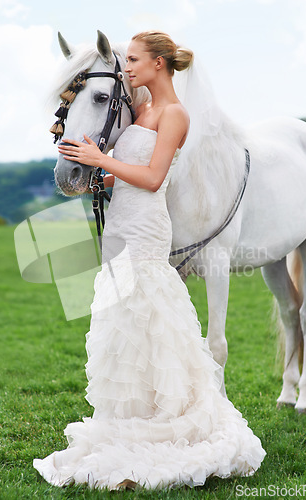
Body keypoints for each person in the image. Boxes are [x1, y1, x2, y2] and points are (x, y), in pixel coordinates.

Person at [33, 30, 265, 490]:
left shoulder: (177, 115)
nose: (129, 67)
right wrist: (101, 179)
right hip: (122, 219)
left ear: (159, 64)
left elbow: (155, 177)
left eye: (135, 60)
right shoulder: (140, 109)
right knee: (124, 321)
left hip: (146, 228)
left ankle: (175, 420)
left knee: (152, 314)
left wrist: (102, 158)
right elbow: (132, 175)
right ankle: (132, 418)